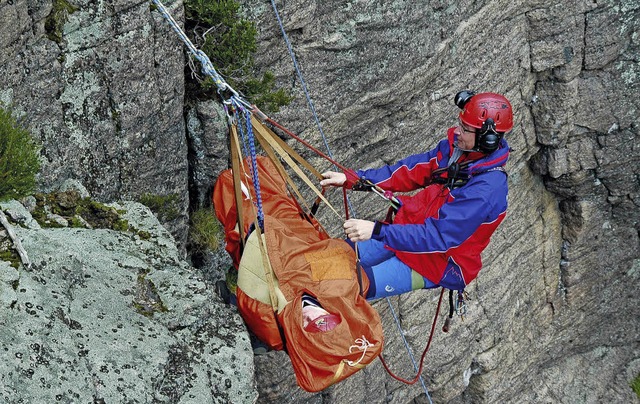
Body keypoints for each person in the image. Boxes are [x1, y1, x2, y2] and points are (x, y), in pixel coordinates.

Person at [320, 91, 513, 299]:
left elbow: (438, 236)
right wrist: (353, 179)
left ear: (487, 140)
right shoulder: (457, 151)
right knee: (329, 262)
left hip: (436, 263)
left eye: (465, 129)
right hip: (407, 230)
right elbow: (411, 170)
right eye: (460, 124)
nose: (457, 131)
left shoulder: (486, 190)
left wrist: (377, 231)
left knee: (347, 289)